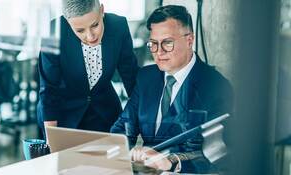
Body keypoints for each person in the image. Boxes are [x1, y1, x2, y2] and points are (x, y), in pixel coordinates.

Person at [110, 5, 233, 173]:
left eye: (167, 43)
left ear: (189, 40)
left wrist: (172, 161)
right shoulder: (146, 78)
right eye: (153, 44)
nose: (158, 52)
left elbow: (217, 152)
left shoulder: (217, 87)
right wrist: (127, 149)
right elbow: (122, 128)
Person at [37, 0, 139, 134]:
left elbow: (130, 76)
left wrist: (145, 118)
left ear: (102, 10)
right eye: (80, 30)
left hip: (105, 112)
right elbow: (49, 89)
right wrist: (52, 137)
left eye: (95, 25)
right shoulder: (52, 32)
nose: (90, 37)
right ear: (68, 21)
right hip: (63, 115)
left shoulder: (118, 26)